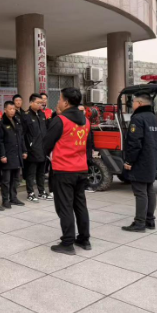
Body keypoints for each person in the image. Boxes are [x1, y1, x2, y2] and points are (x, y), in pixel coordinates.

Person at [43, 87, 94, 255]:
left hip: (63, 169)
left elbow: (46, 144)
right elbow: (88, 145)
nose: (58, 102)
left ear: (65, 102)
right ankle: (84, 239)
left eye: (59, 99)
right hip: (81, 169)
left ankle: (67, 243)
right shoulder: (86, 121)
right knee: (80, 205)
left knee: (64, 206)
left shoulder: (60, 120)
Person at [121, 93, 157, 232]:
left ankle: (139, 223)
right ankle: (150, 220)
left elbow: (134, 142)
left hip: (140, 160)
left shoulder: (138, 118)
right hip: (151, 158)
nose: (132, 104)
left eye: (133, 102)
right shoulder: (155, 118)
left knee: (140, 192)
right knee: (149, 189)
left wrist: (129, 161)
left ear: (139, 103)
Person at [22, 93, 52, 202]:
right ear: (31, 102)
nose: (40, 105)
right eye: (38, 103)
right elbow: (22, 134)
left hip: (42, 148)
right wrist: (25, 149)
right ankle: (30, 193)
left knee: (41, 172)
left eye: (41, 103)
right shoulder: (26, 116)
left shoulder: (42, 114)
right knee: (31, 173)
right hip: (32, 149)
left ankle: (41, 191)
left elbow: (45, 130)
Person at [0, 101, 27, 208]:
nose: (12, 111)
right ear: (5, 110)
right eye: (10, 109)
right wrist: (2, 155)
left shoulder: (17, 121)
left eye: (14, 109)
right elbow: (0, 141)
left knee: (15, 179)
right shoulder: (2, 123)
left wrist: (24, 151)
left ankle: (13, 198)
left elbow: (21, 138)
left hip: (17, 154)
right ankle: (5, 200)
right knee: (6, 180)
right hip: (8, 155)